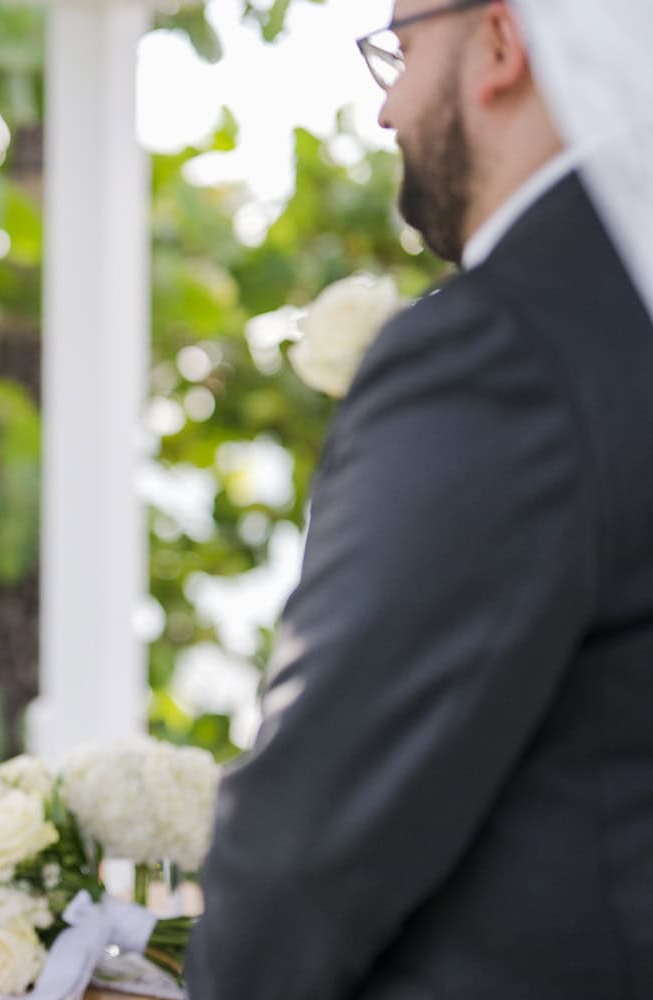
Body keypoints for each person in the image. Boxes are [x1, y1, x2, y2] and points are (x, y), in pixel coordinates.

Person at [186, 2, 653, 997]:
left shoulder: (504, 351)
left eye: (400, 52)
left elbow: (302, 848)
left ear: (499, 43)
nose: (389, 109)